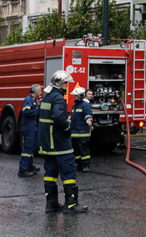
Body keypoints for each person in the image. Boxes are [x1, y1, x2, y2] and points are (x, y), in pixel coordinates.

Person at [39, 70, 88, 214]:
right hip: (60, 143)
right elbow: (59, 117)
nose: (67, 85)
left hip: (48, 144)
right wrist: (68, 128)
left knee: (50, 173)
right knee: (68, 172)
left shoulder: (46, 97)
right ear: (60, 83)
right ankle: (71, 205)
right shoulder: (58, 98)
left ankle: (51, 204)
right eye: (66, 83)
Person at [18, 84, 43, 177]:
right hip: (29, 128)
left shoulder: (33, 101)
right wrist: (37, 111)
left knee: (32, 148)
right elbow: (26, 111)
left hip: (34, 127)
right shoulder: (28, 100)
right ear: (35, 91)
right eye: (40, 90)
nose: (41, 92)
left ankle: (29, 165)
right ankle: (23, 169)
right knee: (27, 148)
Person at [70, 87, 93, 172]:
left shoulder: (85, 105)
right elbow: (73, 119)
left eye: (75, 96)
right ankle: (79, 164)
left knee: (84, 150)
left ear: (80, 96)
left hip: (83, 132)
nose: (74, 97)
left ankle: (86, 165)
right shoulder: (74, 106)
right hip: (75, 132)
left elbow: (88, 113)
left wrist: (88, 119)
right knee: (76, 150)